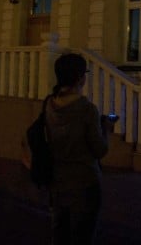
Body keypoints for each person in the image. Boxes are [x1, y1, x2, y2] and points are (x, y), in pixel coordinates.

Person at [45, 53, 116, 245]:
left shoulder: (49, 104)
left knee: (60, 236)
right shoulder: (87, 110)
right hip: (84, 183)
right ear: (79, 78)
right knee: (82, 237)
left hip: (57, 182)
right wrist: (106, 130)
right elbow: (100, 150)